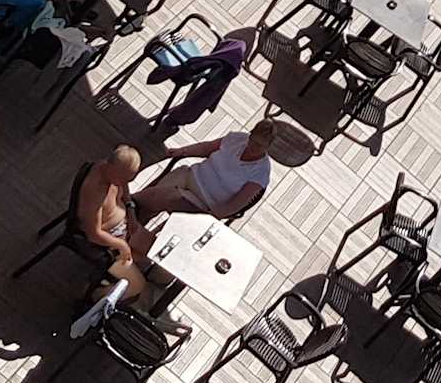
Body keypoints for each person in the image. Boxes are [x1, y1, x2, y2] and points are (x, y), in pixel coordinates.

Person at [135, 121, 288, 221]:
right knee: (156, 195)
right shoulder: (237, 138)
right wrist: (182, 151)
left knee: (163, 196)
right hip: (191, 175)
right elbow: (207, 148)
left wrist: (210, 217)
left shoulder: (260, 173)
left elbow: (235, 205)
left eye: (260, 145)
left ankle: (129, 204)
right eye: (253, 141)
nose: (253, 147)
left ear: (268, 146)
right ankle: (133, 221)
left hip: (205, 201)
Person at [74, 146, 154, 308]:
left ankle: (110, 277)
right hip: (105, 243)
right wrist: (121, 245)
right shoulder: (94, 191)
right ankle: (94, 298)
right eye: (123, 179)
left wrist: (130, 209)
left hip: (124, 227)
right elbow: (93, 233)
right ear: (111, 168)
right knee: (137, 285)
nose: (125, 183)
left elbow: (124, 187)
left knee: (156, 250)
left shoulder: (114, 173)